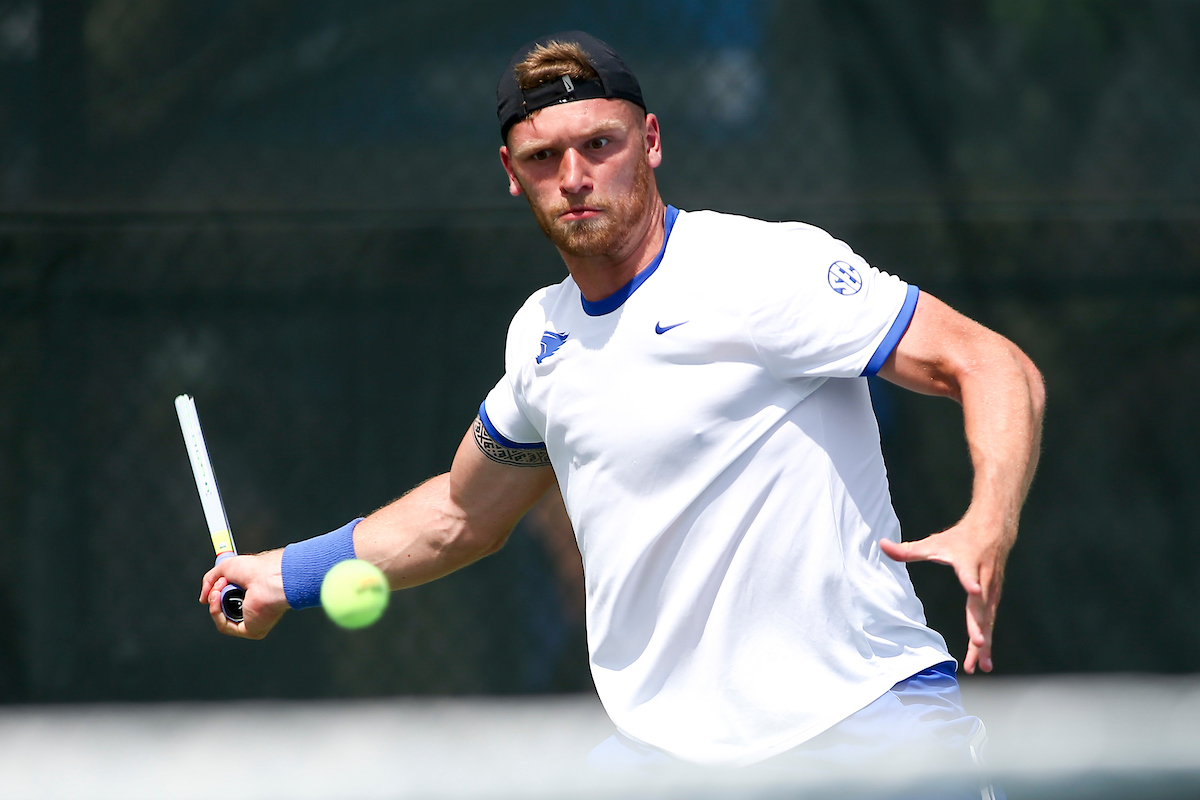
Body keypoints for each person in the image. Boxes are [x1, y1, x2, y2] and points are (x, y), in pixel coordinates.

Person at [200, 31, 1044, 777]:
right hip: (669, 763)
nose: (572, 177)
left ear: (649, 142)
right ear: (510, 173)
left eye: (597, 144)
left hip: (868, 729)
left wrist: (989, 519)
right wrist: (285, 575)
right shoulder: (540, 338)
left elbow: (993, 364)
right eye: (541, 157)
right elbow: (462, 514)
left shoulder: (761, 269)